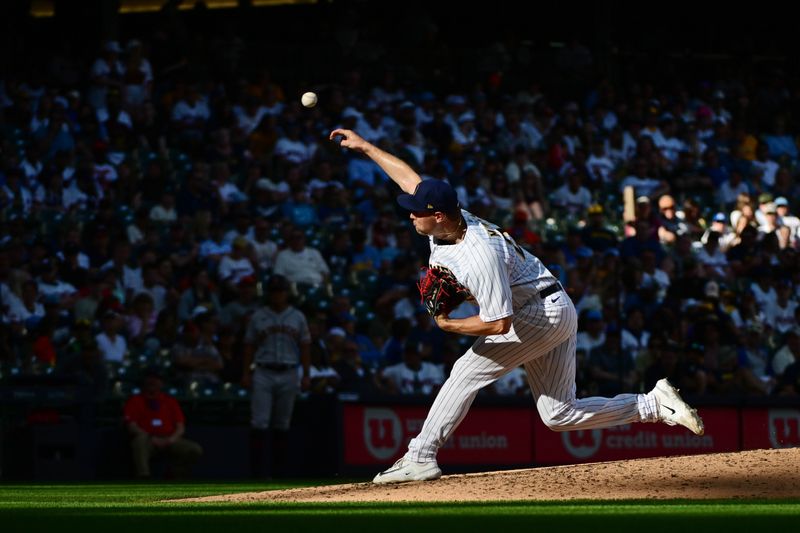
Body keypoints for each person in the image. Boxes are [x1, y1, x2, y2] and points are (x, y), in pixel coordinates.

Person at [329, 128, 705, 485]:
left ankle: (421, 456)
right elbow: (410, 179)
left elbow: (499, 323)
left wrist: (449, 324)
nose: (410, 213)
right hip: (551, 305)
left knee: (465, 371)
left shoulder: (478, 255)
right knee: (559, 414)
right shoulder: (447, 220)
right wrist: (366, 147)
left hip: (538, 313)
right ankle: (653, 404)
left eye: (417, 211)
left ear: (438, 215)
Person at [242, 274, 311, 477]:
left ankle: (279, 473)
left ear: (286, 293)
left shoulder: (297, 316)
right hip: (263, 371)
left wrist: (306, 374)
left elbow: (305, 346)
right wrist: (245, 373)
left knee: (282, 423)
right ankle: (256, 474)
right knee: (259, 422)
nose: (277, 295)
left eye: (280, 291)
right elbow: (248, 346)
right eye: (274, 291)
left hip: (289, 370)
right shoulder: (259, 315)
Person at [123, 368, 203, 479]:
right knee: (139, 440)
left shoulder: (170, 401)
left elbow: (180, 427)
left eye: (156, 379)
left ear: (162, 382)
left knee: (194, 449)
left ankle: (175, 476)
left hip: (169, 439)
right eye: (150, 379)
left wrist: (171, 439)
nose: (153, 382)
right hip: (148, 440)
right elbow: (131, 426)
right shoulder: (135, 401)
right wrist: (151, 438)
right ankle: (143, 477)